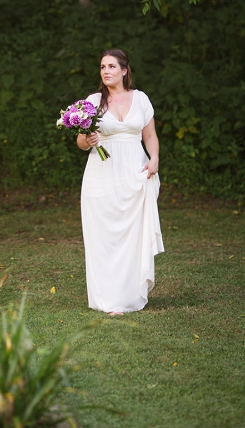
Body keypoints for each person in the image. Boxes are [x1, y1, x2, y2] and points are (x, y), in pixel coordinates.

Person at [76, 49, 165, 315]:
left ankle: (127, 297)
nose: (106, 71)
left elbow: (149, 135)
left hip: (134, 174)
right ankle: (107, 299)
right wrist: (87, 141)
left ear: (124, 70)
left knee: (132, 236)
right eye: (102, 66)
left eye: (112, 66)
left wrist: (155, 158)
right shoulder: (93, 101)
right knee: (104, 236)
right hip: (101, 175)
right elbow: (81, 141)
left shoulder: (141, 99)